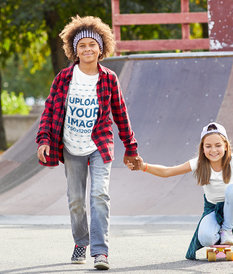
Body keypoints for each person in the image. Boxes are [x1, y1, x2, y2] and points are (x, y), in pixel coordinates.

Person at [36, 15, 139, 270]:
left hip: (99, 144)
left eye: (92, 45)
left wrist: (131, 147)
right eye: (82, 46)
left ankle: (100, 252)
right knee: (76, 200)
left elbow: (120, 113)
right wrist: (44, 139)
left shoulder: (109, 79)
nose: (87, 49)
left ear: (101, 48)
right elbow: (49, 110)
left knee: (100, 196)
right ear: (75, 50)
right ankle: (81, 241)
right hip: (71, 147)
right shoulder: (63, 78)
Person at [126, 122, 233, 259]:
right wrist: (143, 166)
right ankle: (221, 246)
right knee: (205, 237)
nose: (213, 150)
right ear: (202, 148)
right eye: (208, 146)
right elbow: (168, 171)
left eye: (218, 145)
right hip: (213, 210)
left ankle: (227, 230)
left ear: (225, 146)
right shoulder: (199, 163)